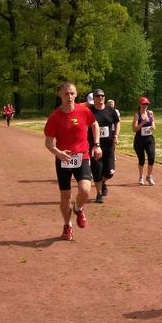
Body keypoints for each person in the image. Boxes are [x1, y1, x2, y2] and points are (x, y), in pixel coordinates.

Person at [44, 81, 102, 241]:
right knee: (65, 196)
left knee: (85, 190)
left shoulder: (83, 111)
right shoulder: (55, 117)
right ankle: (67, 225)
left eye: (72, 93)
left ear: (76, 94)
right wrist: (58, 153)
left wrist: (97, 145)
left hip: (82, 156)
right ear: (60, 95)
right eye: (66, 93)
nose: (69, 96)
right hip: (63, 159)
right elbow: (48, 142)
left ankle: (78, 208)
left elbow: (94, 124)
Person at [87, 88, 121, 203]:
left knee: (110, 172)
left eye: (102, 95)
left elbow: (117, 122)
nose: (100, 97)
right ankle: (99, 193)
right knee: (97, 171)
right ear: (94, 98)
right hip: (94, 147)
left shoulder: (110, 110)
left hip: (109, 146)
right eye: (98, 96)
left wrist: (116, 135)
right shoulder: (89, 111)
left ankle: (103, 182)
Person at [132, 96, 156, 185]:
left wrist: (153, 127)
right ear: (140, 104)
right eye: (143, 104)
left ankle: (149, 176)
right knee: (141, 159)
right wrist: (143, 122)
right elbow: (134, 129)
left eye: (147, 104)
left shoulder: (150, 113)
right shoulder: (137, 115)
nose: (145, 105)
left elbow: (153, 124)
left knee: (152, 156)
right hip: (139, 140)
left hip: (149, 139)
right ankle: (141, 177)